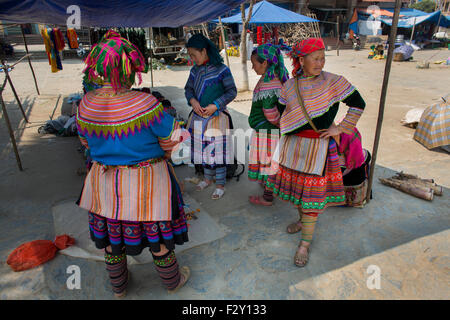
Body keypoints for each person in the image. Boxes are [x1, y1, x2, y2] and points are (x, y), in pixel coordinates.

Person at [76, 30, 190, 297]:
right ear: (130, 68)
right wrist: (167, 151)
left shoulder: (85, 105)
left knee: (112, 242)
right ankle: (173, 283)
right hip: (148, 184)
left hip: (104, 183)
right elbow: (174, 136)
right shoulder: (146, 104)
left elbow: (86, 144)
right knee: (159, 239)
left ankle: (119, 289)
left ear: (98, 68)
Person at [266, 38, 366, 267]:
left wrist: (339, 128)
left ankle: (305, 243)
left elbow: (358, 103)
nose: (321, 62)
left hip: (318, 149)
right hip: (292, 149)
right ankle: (303, 222)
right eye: (316, 58)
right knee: (299, 193)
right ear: (301, 60)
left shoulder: (334, 82)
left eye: (323, 58)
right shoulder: (289, 86)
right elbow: (282, 115)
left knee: (310, 197)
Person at [184, 33, 237, 200]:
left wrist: (215, 104)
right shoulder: (194, 71)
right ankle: (207, 178)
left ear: (204, 51)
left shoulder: (222, 70)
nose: (192, 58)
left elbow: (232, 91)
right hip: (199, 117)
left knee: (218, 152)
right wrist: (193, 101)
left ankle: (220, 184)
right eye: (190, 55)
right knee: (203, 150)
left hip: (217, 117)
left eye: (194, 54)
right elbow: (188, 90)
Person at [248, 43, 289, 206]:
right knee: (269, 163)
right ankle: (268, 186)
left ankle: (267, 197)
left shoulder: (269, 83)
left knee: (268, 164)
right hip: (267, 131)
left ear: (265, 63)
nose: (253, 67)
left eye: (254, 64)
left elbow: (270, 112)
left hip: (269, 133)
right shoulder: (271, 78)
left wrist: (279, 126)